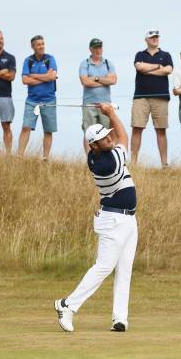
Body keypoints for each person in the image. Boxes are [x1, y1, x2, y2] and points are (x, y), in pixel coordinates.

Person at [55, 103, 138, 333]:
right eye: (103, 139)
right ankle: (67, 305)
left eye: (108, 135)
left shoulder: (94, 154)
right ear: (95, 145)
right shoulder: (109, 161)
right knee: (103, 267)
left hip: (128, 220)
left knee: (125, 269)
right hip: (114, 221)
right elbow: (124, 136)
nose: (109, 139)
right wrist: (110, 112)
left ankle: (120, 318)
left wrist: (98, 120)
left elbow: (97, 139)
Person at [131, 30, 173, 166]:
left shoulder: (166, 55)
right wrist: (157, 67)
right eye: (152, 37)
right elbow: (139, 67)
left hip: (160, 97)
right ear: (146, 40)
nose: (155, 39)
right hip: (140, 97)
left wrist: (148, 70)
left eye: (156, 37)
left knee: (161, 130)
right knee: (137, 128)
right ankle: (133, 163)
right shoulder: (140, 54)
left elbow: (168, 70)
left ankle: (164, 164)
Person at [18, 35, 58, 158]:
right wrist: (45, 78)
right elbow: (25, 80)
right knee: (26, 127)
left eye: (42, 44)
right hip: (32, 100)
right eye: (38, 44)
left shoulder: (50, 59)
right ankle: (19, 157)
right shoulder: (28, 61)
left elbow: (52, 77)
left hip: (49, 100)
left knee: (48, 130)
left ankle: (45, 158)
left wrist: (33, 75)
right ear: (33, 46)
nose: (41, 46)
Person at [79, 38, 117, 153]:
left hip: (105, 103)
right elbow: (85, 82)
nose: (98, 50)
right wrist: (104, 80)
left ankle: (108, 155)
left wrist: (95, 78)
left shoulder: (108, 63)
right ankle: (90, 158)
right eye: (95, 47)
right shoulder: (84, 63)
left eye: (100, 47)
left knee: (106, 131)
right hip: (89, 103)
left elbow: (113, 80)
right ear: (90, 49)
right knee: (89, 132)